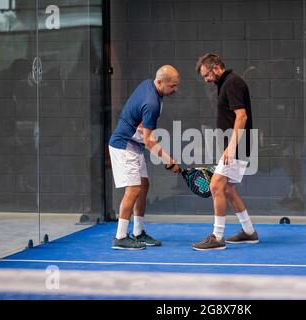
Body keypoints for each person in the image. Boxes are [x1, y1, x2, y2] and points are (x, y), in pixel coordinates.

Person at [109, 65, 181, 250]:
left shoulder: (148, 85)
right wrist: (168, 160)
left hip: (134, 144)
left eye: (176, 85)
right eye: (172, 86)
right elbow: (149, 141)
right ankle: (120, 237)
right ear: (159, 82)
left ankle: (138, 232)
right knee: (133, 190)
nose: (175, 90)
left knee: (144, 185)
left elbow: (141, 121)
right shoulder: (152, 103)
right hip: (124, 145)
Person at [193, 53, 259, 251]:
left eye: (206, 75)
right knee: (228, 190)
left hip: (236, 147)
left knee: (215, 187)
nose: (206, 79)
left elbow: (241, 117)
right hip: (235, 146)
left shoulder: (232, 83)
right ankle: (249, 232)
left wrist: (230, 148)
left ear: (215, 67)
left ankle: (217, 237)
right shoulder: (225, 84)